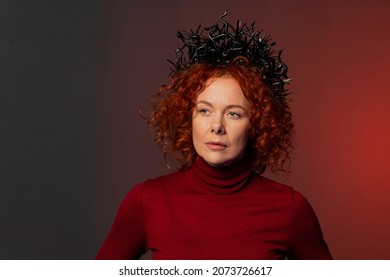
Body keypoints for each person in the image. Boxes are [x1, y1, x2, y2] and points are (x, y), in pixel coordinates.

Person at [96, 12, 332, 260]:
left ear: (257, 126)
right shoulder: (147, 200)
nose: (216, 126)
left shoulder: (290, 209)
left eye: (234, 114)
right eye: (205, 110)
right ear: (189, 117)